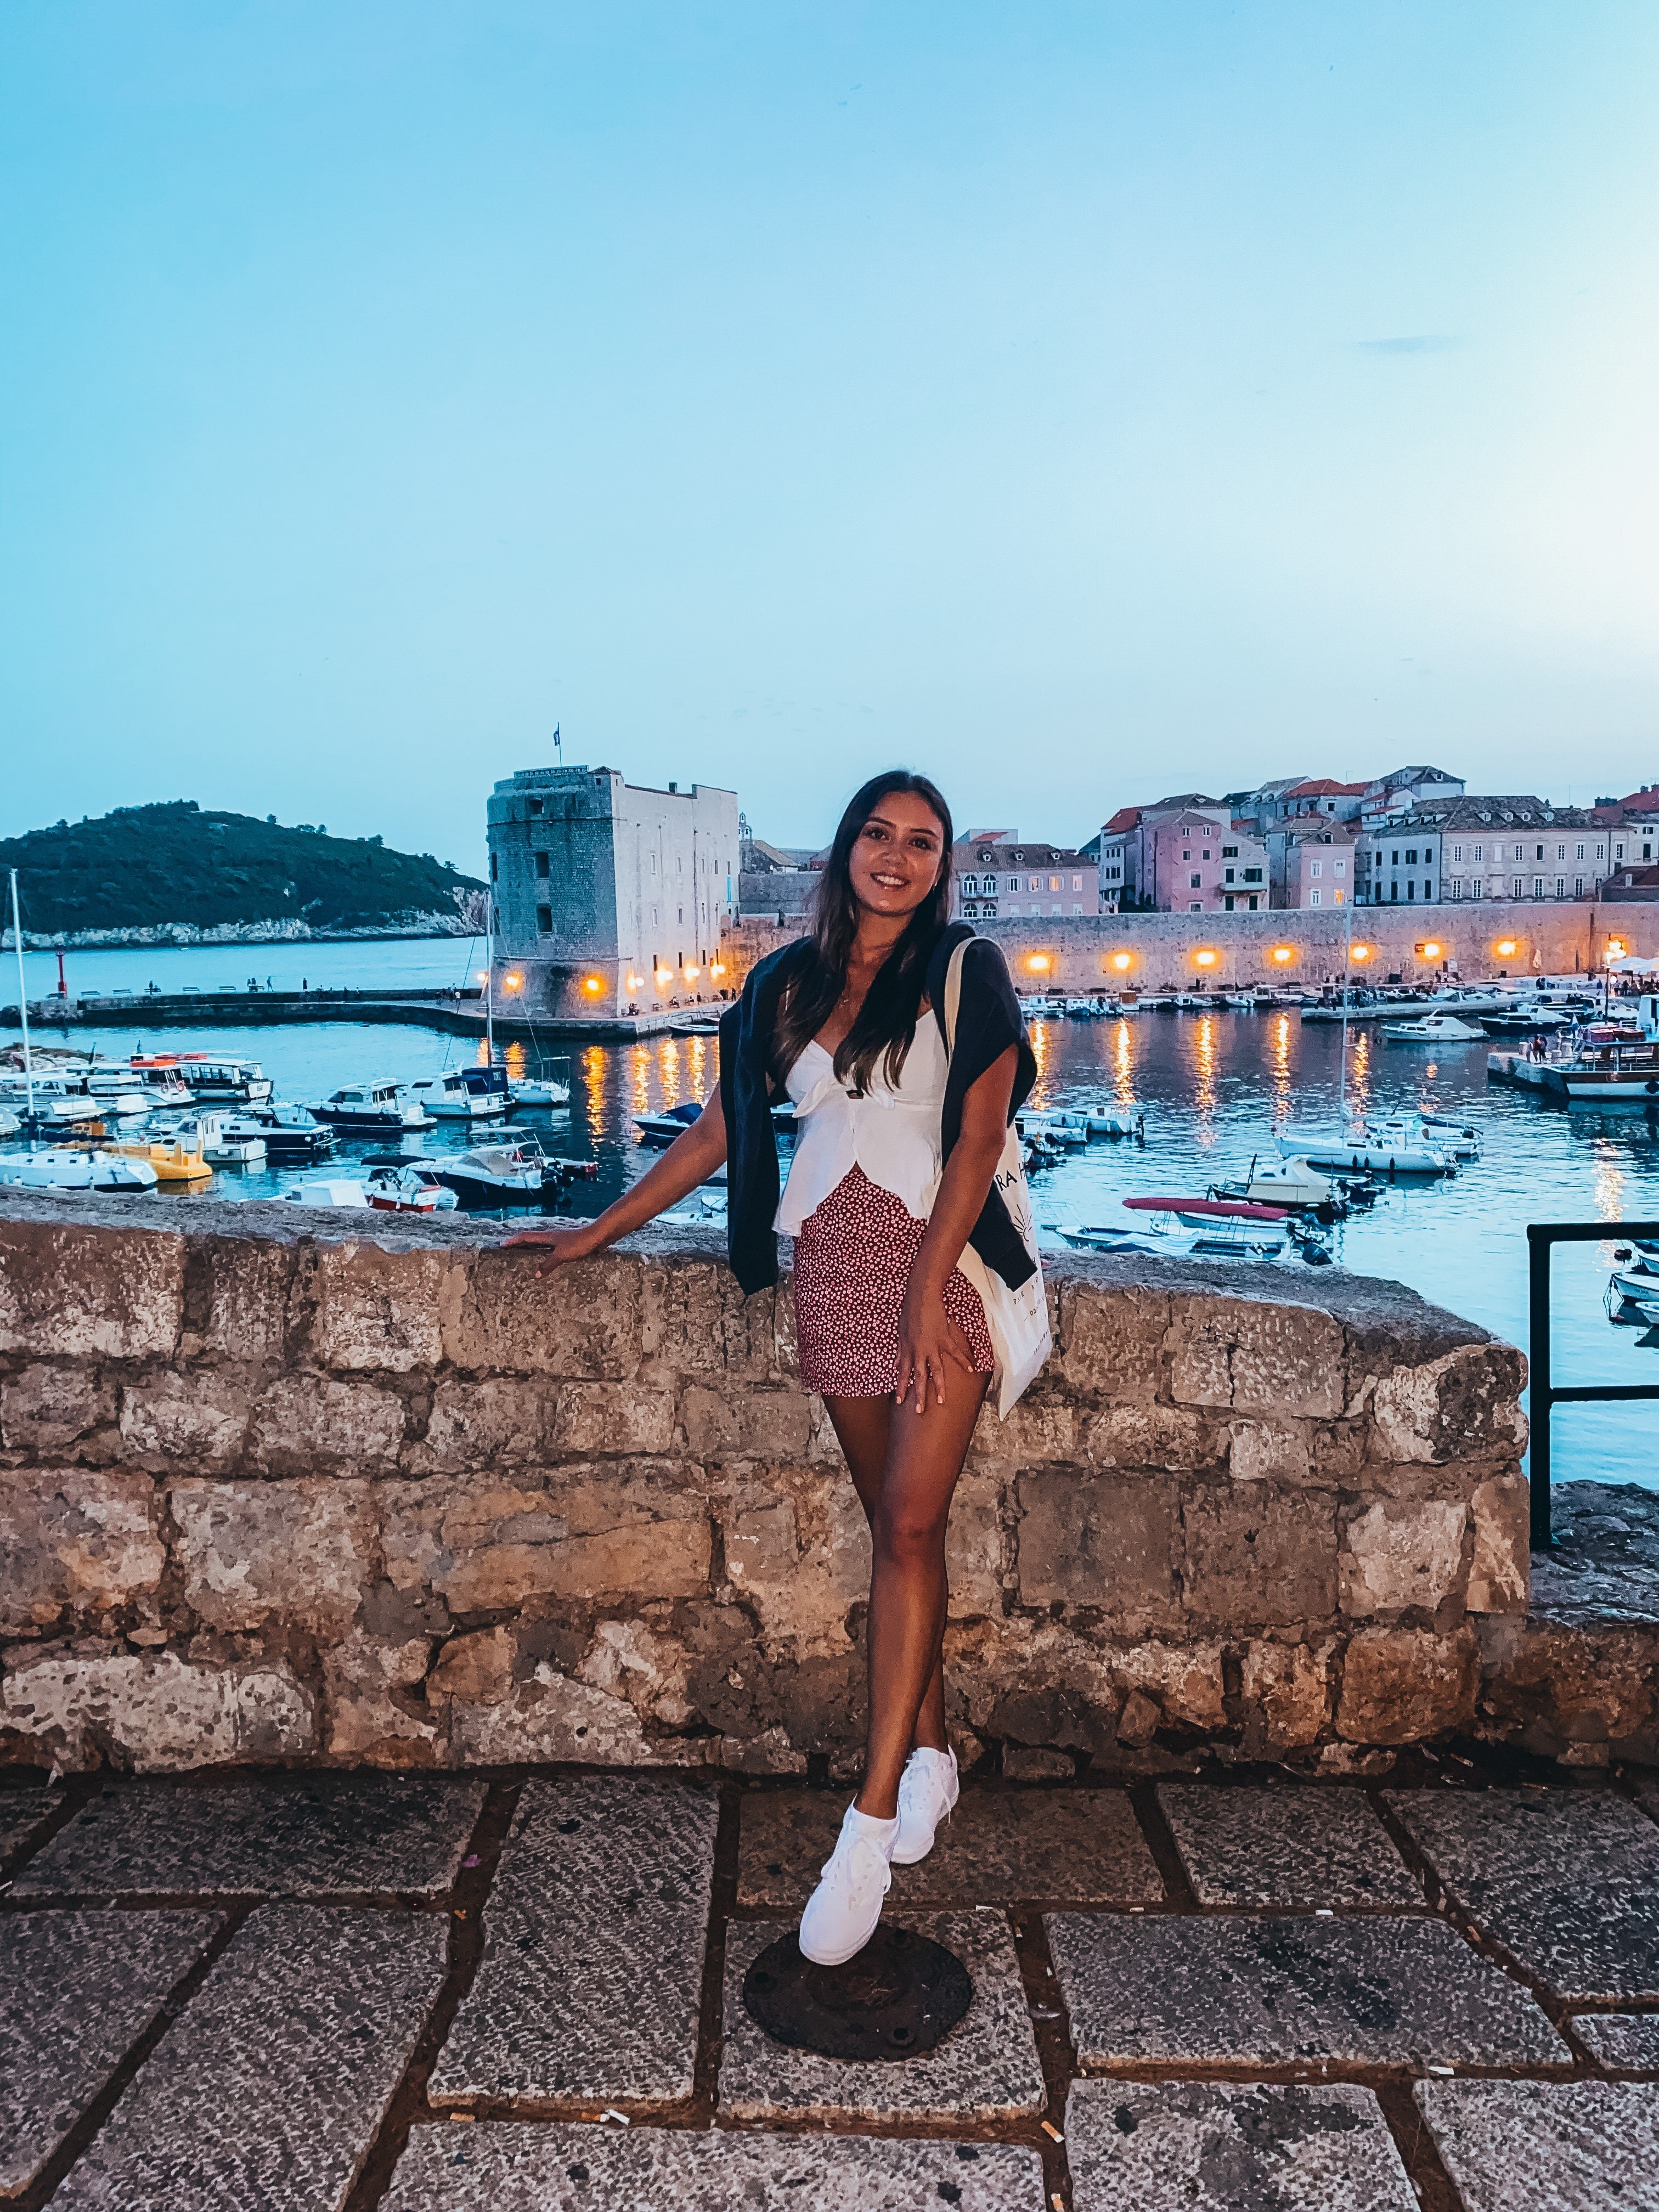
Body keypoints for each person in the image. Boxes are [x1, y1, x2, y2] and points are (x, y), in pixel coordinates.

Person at [505, 770, 1042, 1966]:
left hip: (937, 1271)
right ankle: (935, 1755)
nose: (896, 857)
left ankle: (865, 1824)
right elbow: (717, 1130)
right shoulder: (784, 986)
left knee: (906, 1529)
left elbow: (978, 1137)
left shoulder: (966, 969)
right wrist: (599, 1229)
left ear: (939, 863)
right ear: (844, 847)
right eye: (877, 835)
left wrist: (923, 1290)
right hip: (834, 1270)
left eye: (921, 843)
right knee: (898, 1528)